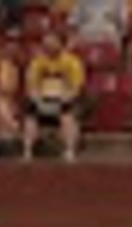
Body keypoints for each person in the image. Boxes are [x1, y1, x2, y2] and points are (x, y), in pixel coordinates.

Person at [23, 32, 86, 162]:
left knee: (67, 116)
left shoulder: (72, 62)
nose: (48, 47)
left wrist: (65, 99)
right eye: (46, 44)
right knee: (30, 117)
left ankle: (69, 150)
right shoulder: (37, 62)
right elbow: (31, 85)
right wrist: (37, 99)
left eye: (52, 44)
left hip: (64, 98)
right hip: (42, 99)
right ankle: (27, 151)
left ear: (60, 44)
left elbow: (76, 87)